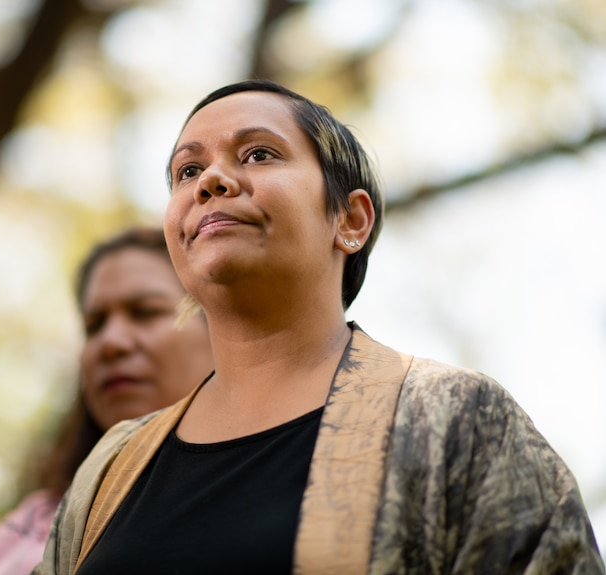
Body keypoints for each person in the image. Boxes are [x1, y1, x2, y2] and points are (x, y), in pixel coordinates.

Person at [32, 79, 605, 574]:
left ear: (350, 219)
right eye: (188, 170)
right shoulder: (113, 466)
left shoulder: (455, 417)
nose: (211, 180)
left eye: (258, 154)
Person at [0, 227, 214, 575]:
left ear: (219, 327)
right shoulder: (33, 518)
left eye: (144, 312)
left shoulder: (282, 482)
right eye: (94, 325)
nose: (111, 342)